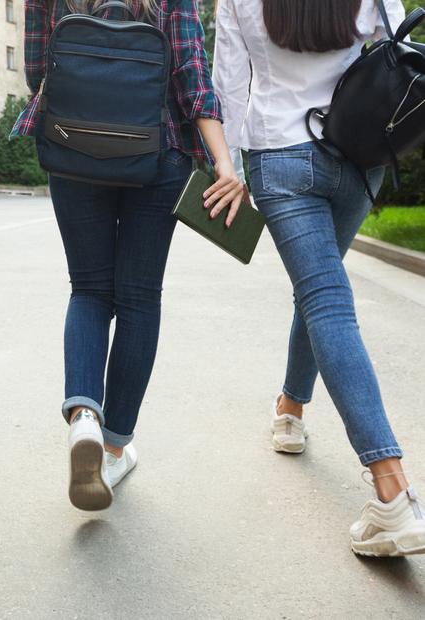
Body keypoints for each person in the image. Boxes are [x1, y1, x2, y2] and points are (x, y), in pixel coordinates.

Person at [16, 0, 246, 511]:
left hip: (72, 149)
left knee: (89, 289)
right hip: (156, 153)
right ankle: (115, 446)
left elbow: (38, 70)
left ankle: (83, 418)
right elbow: (191, 77)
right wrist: (224, 161)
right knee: (139, 299)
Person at [214, 0, 424, 557]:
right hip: (357, 153)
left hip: (279, 155)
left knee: (324, 299)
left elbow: (229, 82)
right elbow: (396, 46)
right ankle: (291, 409)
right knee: (321, 293)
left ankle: (393, 492)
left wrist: (228, 165)